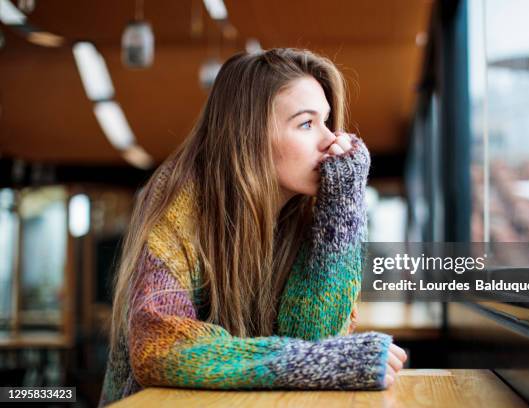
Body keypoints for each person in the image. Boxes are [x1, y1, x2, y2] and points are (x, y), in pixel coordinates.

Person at [98, 47, 407, 407]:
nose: (330, 140)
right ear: (250, 136)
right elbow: (162, 347)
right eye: (306, 124)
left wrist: (343, 204)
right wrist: (332, 361)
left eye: (326, 121)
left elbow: (311, 337)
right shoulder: (180, 203)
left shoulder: (307, 212)